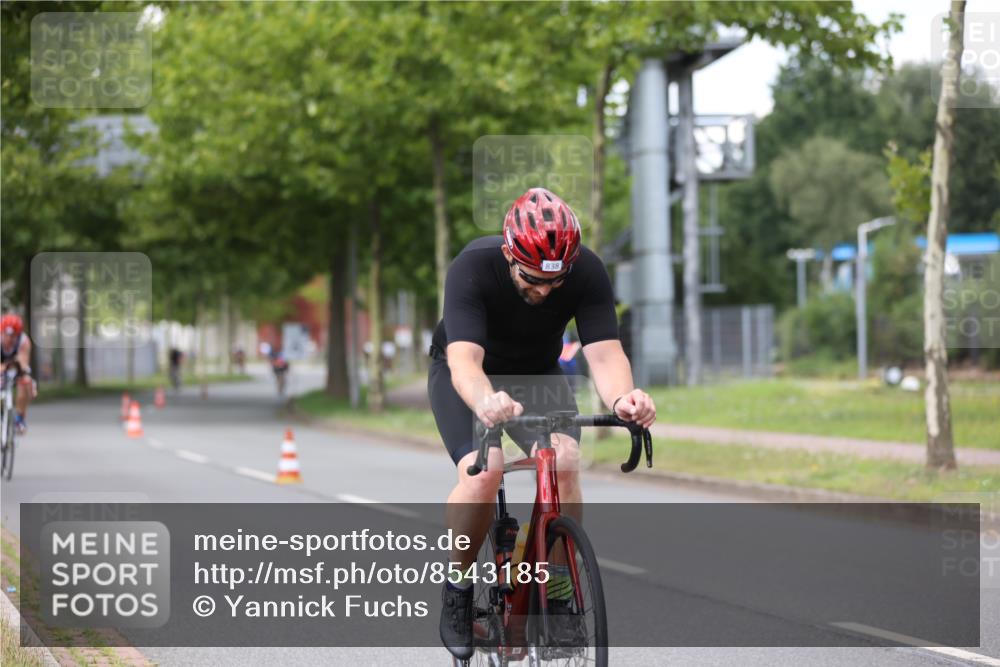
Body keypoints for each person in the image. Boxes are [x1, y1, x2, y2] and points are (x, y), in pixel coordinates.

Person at [427, 187, 656, 658]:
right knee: (483, 470)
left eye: (556, 281)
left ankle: (557, 596)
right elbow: (465, 363)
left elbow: (605, 352)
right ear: (511, 256)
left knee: (566, 459)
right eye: (532, 278)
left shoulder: (587, 269)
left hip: (537, 373)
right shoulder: (473, 266)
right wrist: (486, 400)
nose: (545, 291)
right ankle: (459, 586)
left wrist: (624, 399)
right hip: (470, 374)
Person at [1, 314, 36, 434]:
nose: (10, 339)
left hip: (17, 369)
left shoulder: (24, 341)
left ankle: (20, 418)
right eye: (7, 335)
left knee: (25, 381)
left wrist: (21, 369)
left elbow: (23, 362)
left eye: (13, 336)